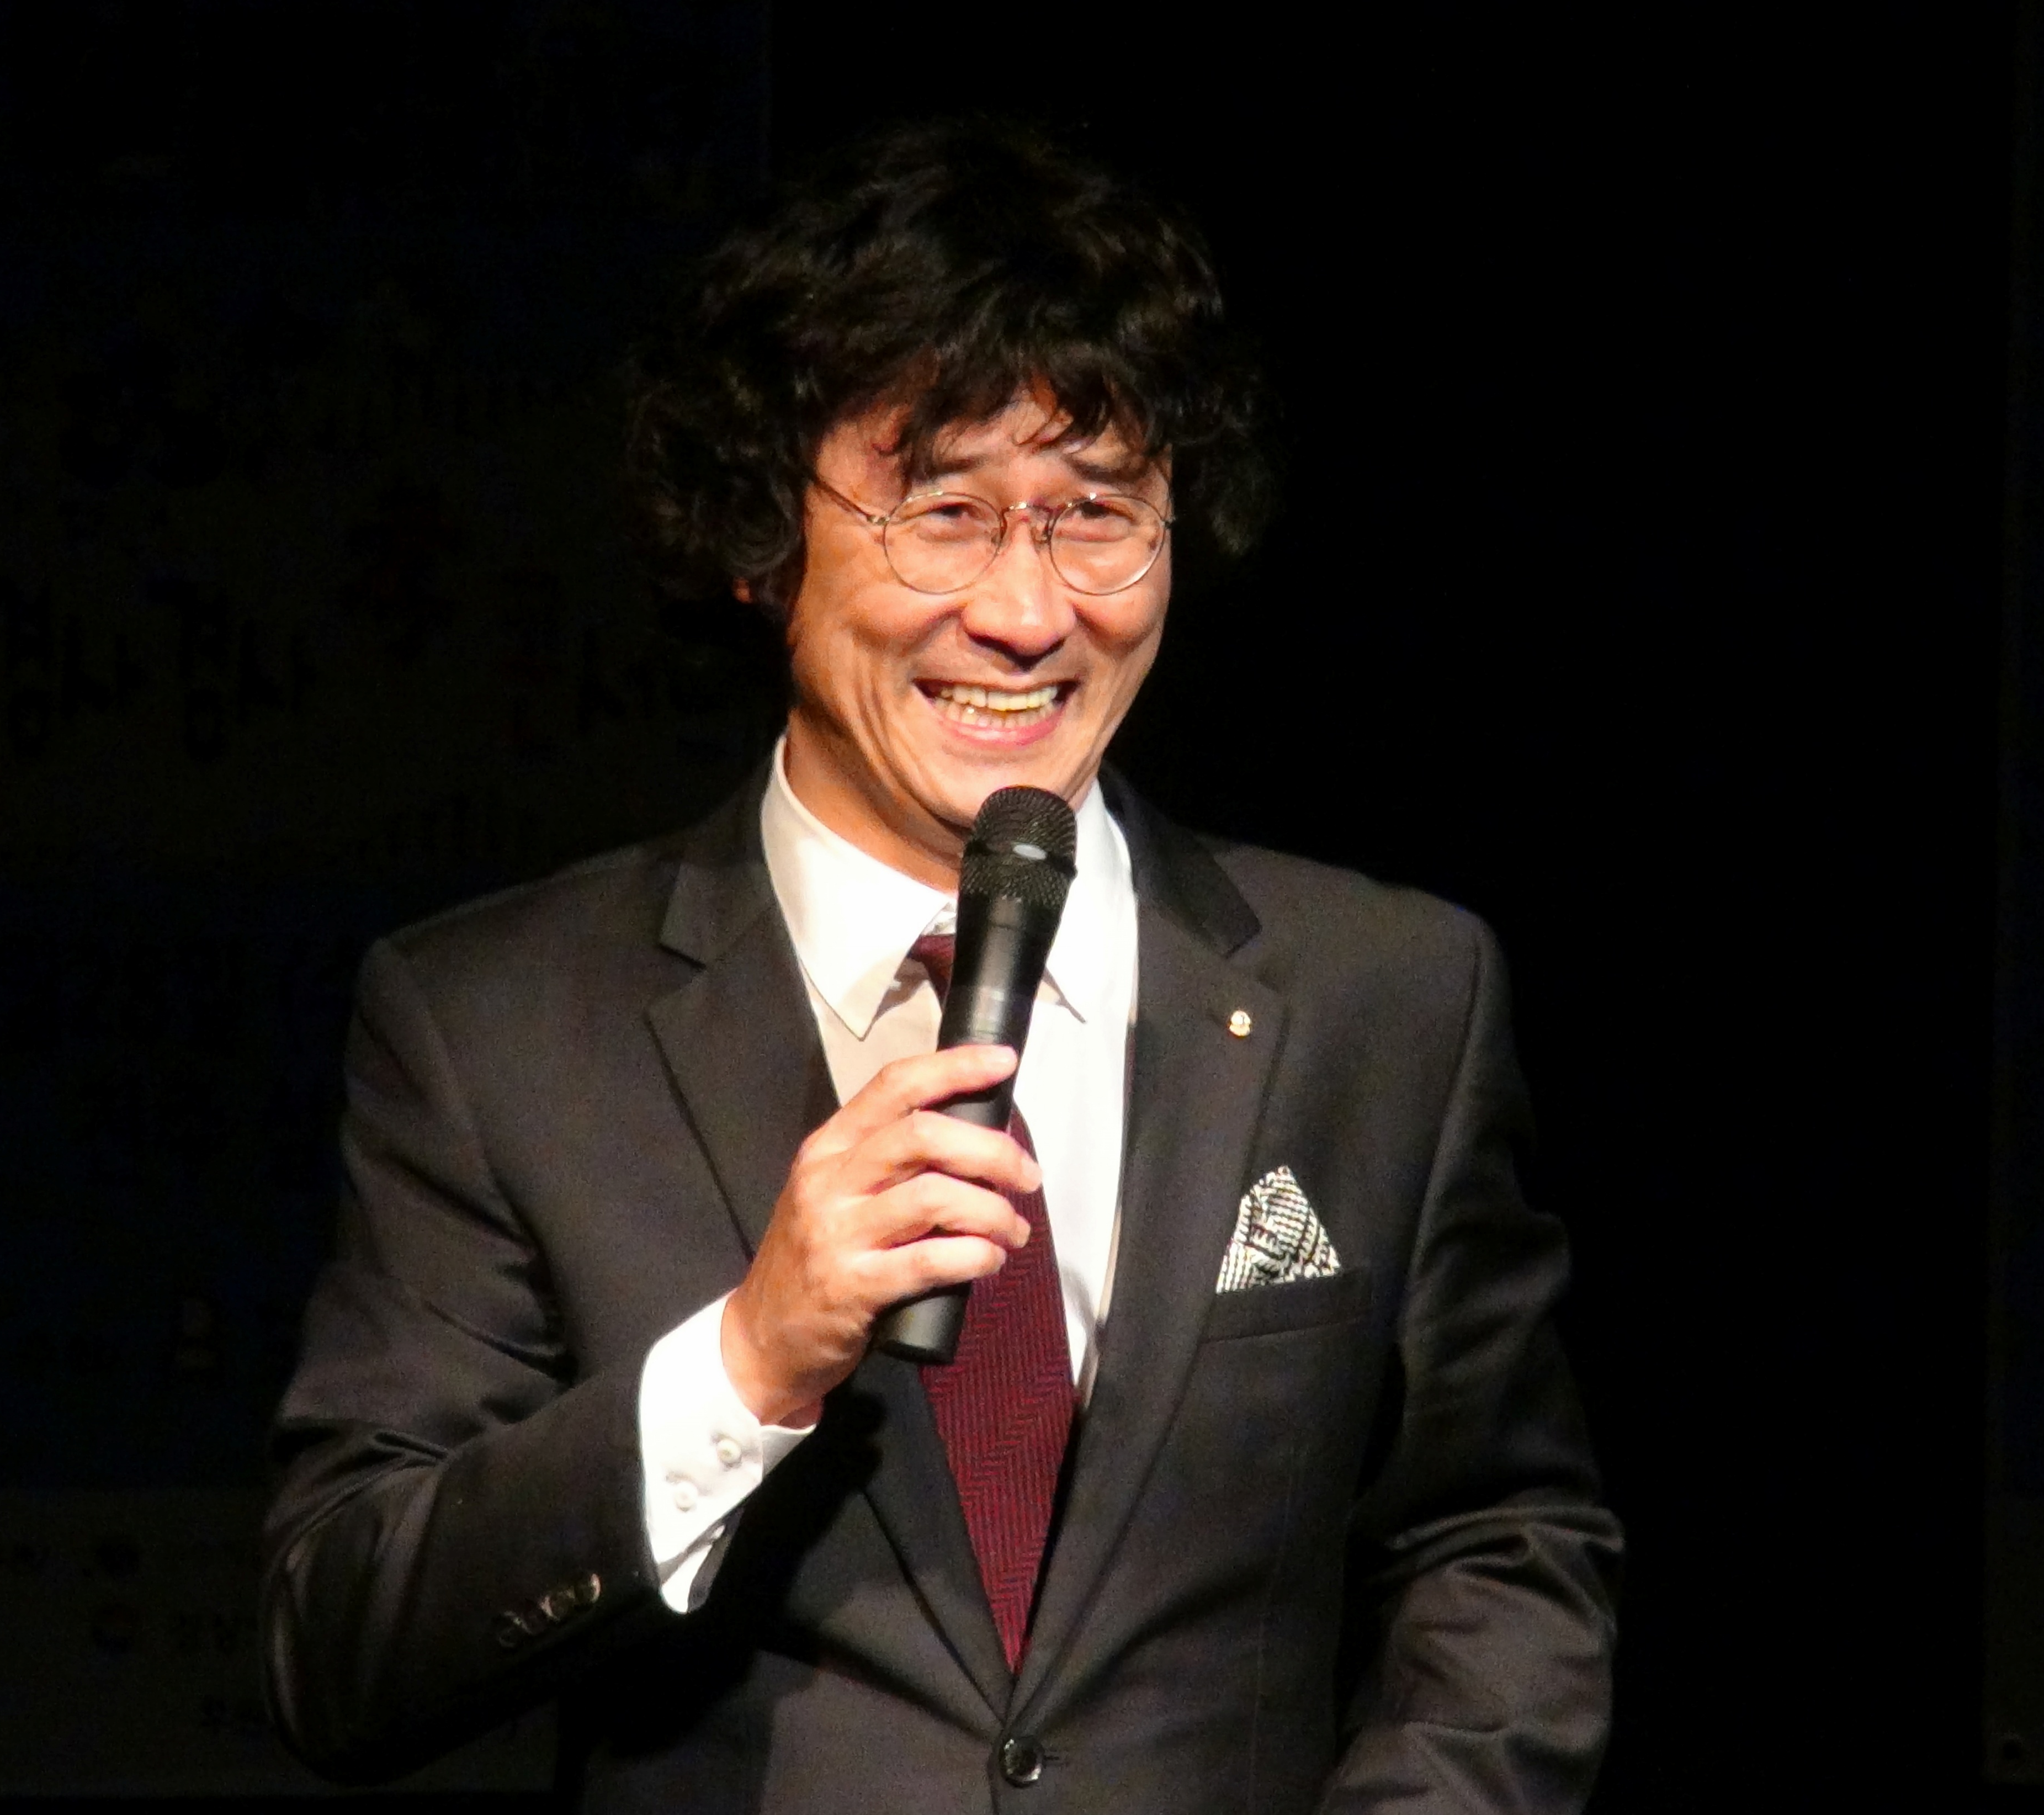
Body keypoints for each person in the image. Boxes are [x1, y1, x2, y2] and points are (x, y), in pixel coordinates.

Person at [261, 119, 1619, 1811]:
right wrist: (748, 1361)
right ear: (758, 536)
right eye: (947, 514)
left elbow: (1496, 1538)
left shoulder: (1384, 994)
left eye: (1096, 514)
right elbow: (343, 1644)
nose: (1028, 613)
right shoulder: (500, 1027)